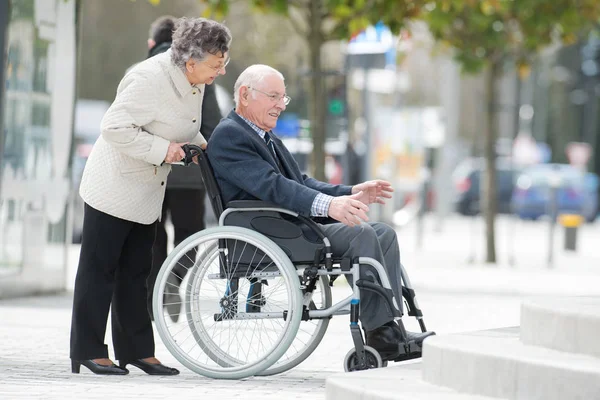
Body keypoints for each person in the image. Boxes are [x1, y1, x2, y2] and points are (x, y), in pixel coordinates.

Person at [206, 65, 435, 362]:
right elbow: (274, 188)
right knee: (360, 233)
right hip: (267, 231)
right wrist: (330, 207)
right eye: (274, 96)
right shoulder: (230, 136)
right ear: (245, 95)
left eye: (283, 98)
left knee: (383, 233)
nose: (280, 104)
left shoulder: (264, 136)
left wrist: (350, 192)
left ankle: (389, 328)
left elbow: (300, 183)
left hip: (287, 225)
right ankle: (381, 333)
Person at [69, 17, 232, 376]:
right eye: (216, 64)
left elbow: (187, 129)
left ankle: (137, 351)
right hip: (113, 186)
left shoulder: (194, 82)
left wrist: (206, 149)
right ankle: (87, 350)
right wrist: (166, 149)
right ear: (192, 61)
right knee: (100, 271)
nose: (220, 72)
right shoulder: (149, 78)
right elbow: (113, 127)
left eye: (224, 63)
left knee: (136, 273)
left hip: (146, 191)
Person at [142, 15, 224, 323]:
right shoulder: (198, 70)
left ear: (152, 43)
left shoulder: (142, 71)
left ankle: (155, 290)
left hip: (151, 168)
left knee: (152, 236)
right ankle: (174, 277)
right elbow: (212, 123)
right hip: (189, 172)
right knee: (189, 235)